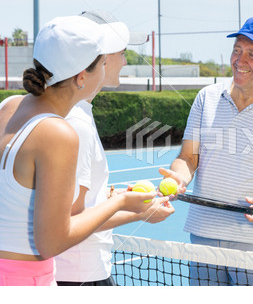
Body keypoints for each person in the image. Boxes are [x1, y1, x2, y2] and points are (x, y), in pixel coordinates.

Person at [0, 16, 164, 286]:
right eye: (102, 63)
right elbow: (52, 242)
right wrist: (120, 203)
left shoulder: (9, 106)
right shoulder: (59, 133)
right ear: (81, 77)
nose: (108, 67)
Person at [160, 17, 253, 285]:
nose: (241, 60)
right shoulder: (206, 98)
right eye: (237, 50)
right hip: (204, 233)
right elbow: (188, 158)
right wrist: (178, 178)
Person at [55, 10, 175, 286]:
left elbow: (66, 199)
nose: (125, 60)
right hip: (79, 276)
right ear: (102, 58)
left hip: (78, 272)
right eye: (122, 52)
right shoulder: (76, 122)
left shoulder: (76, 112)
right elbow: (68, 222)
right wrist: (139, 212)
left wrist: (111, 195)